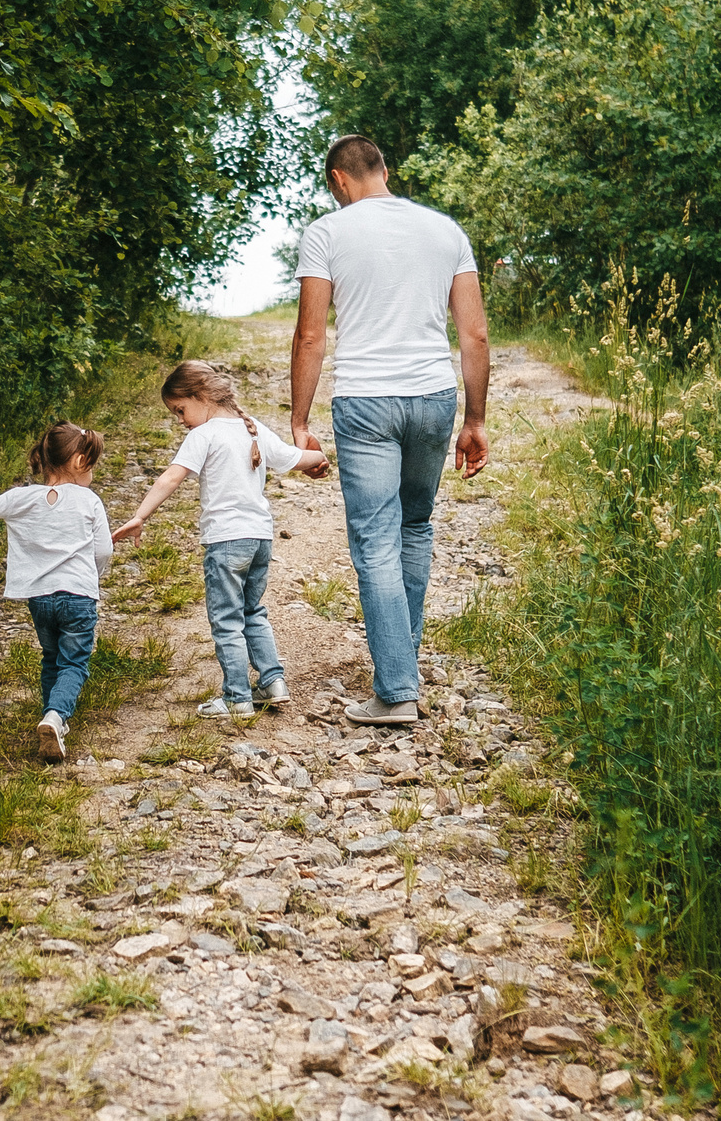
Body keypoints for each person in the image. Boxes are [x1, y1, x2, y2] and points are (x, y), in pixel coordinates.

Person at [288, 135, 489, 727]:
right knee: (415, 525)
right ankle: (402, 659)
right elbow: (474, 336)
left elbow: (309, 336)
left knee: (375, 541)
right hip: (433, 397)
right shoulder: (445, 230)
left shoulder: (326, 233)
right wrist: (474, 420)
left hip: (367, 401)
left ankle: (397, 689)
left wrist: (299, 421)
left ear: (337, 179)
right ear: (384, 170)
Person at [114, 361, 330, 718]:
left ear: (200, 396)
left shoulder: (205, 435)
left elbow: (171, 478)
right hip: (260, 538)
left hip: (226, 542)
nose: (181, 420)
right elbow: (300, 458)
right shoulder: (254, 429)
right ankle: (273, 683)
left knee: (227, 619)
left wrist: (140, 516)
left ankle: (236, 698)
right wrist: (319, 460)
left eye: (180, 410)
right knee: (252, 611)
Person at [0, 423, 115, 761]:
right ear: (79, 461)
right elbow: (104, 550)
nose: (92, 471)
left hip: (40, 599)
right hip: (78, 596)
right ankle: (56, 715)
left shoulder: (24, 497)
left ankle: (51, 720)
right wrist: (96, 576)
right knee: (74, 663)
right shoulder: (89, 501)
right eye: (91, 464)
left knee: (52, 657)